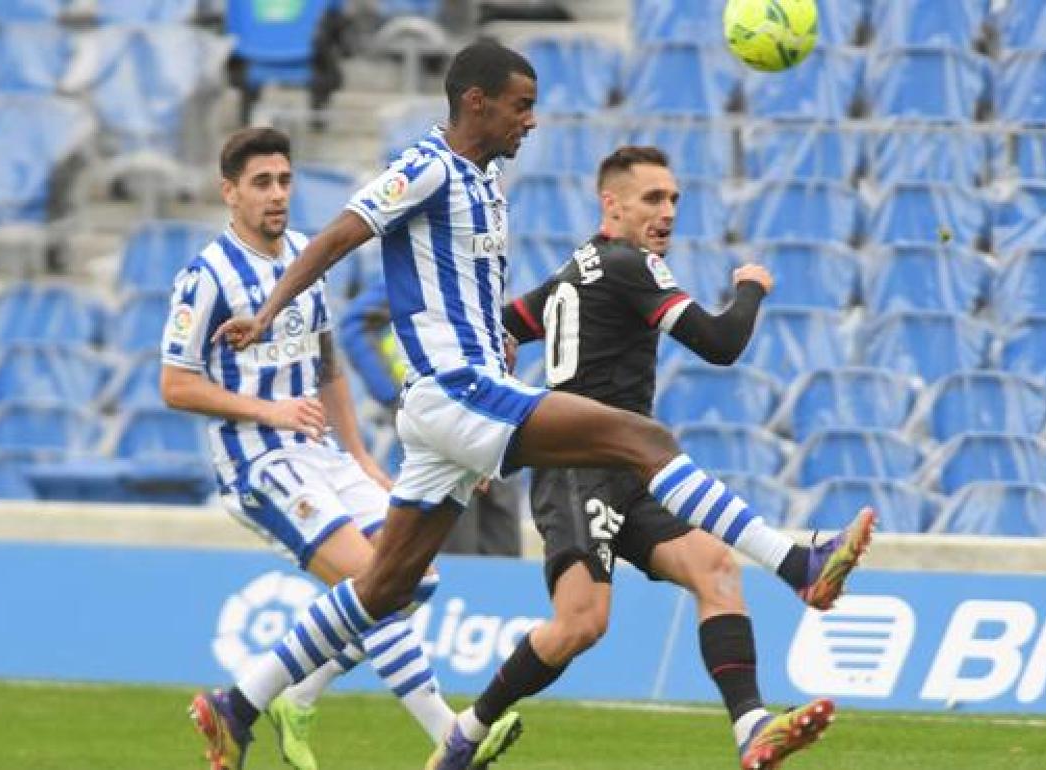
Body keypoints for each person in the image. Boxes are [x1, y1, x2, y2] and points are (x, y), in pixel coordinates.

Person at [206, 41, 870, 770]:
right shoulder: (427, 167)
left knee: (386, 585)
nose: (531, 120)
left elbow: (483, 296)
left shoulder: (486, 182)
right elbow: (339, 234)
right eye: (520, 106)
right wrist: (269, 310)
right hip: (454, 389)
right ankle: (795, 562)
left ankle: (240, 702)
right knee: (646, 441)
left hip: (457, 402)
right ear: (476, 102)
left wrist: (499, 339)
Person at [471, 144, 876, 768]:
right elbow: (720, 343)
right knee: (581, 624)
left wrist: (497, 346)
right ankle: (465, 733)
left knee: (715, 568)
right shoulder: (631, 265)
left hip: (626, 468)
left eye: (674, 199)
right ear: (612, 205)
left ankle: (752, 726)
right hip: (578, 468)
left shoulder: (574, 270)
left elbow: (507, 321)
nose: (668, 212)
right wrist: (751, 289)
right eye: (653, 198)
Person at [161, 127, 518, 770]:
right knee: (371, 579)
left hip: (323, 455)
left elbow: (328, 368)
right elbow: (175, 384)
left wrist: (361, 460)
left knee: (416, 577)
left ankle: (278, 696)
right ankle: (449, 736)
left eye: (284, 180)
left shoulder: (304, 256)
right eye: (261, 183)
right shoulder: (206, 276)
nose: (277, 194)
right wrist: (269, 410)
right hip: (259, 463)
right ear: (229, 193)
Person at [340, 279, 523, 557]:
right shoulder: (425, 273)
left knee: (502, 538)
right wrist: (394, 395)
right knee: (453, 536)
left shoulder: (491, 273)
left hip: (496, 414)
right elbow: (355, 326)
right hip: (442, 416)